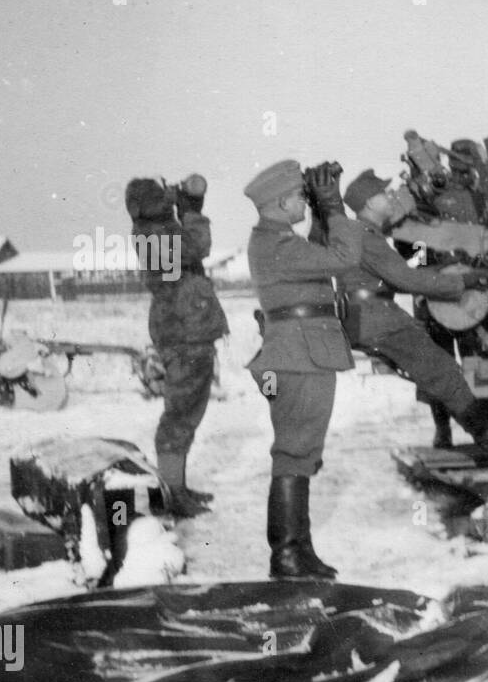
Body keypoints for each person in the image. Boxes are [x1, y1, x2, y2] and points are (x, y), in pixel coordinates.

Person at [244, 160, 361, 580]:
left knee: (301, 452)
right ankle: (288, 555)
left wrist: (319, 211)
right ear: (280, 201)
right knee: (294, 453)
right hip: (300, 357)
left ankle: (300, 550)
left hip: (299, 354)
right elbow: (345, 258)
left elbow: (320, 258)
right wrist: (333, 207)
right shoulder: (277, 246)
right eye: (298, 196)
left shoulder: (278, 242)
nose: (303, 201)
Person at [340, 168, 488, 452]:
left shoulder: (365, 233)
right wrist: (457, 274)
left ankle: (482, 429)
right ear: (369, 203)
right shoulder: (375, 234)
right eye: (383, 193)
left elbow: (401, 271)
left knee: (442, 368)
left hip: (378, 312)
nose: (391, 197)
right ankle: (483, 434)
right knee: (438, 369)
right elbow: (408, 273)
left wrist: (448, 264)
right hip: (391, 313)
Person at [126, 174, 228, 518]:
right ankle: (170, 494)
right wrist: (192, 211)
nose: (168, 198)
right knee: (179, 415)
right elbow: (199, 246)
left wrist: (184, 209)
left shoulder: (156, 230)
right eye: (161, 196)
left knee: (184, 414)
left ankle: (175, 489)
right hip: (184, 332)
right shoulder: (155, 234)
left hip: (187, 330)